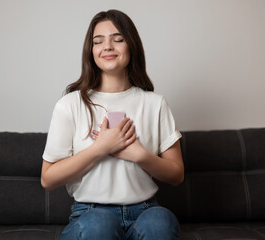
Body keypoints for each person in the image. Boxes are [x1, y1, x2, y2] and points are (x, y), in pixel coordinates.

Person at [41, 9, 184, 240]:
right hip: (90, 213)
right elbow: (47, 179)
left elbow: (177, 174)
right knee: (100, 226)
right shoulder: (69, 105)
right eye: (99, 41)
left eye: (117, 39)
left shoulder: (155, 103)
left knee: (161, 222)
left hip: (145, 211)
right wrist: (100, 148)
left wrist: (138, 154)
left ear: (132, 46)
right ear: (92, 51)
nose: (107, 46)